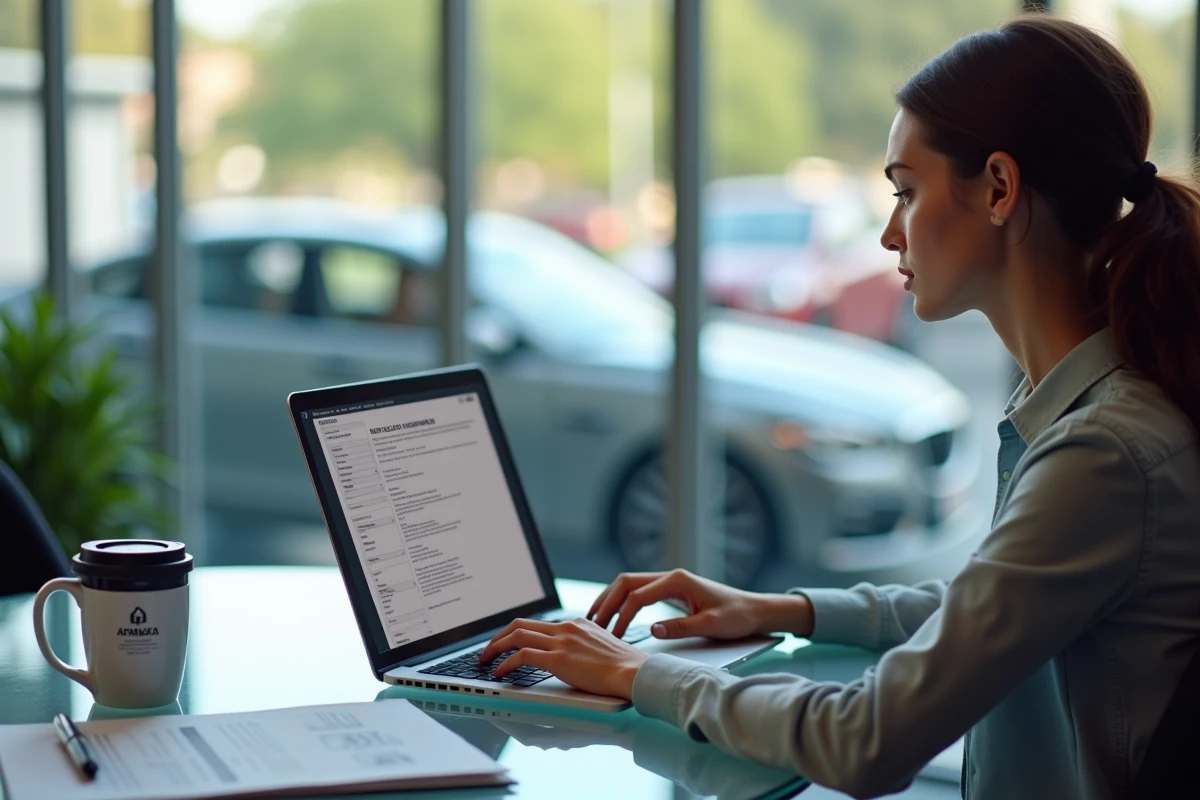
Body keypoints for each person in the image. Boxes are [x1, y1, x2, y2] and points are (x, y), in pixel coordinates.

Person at [478, 14, 1200, 800]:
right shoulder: (1085, 409)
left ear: (999, 187)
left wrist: (637, 672)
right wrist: (781, 609)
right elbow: (994, 607)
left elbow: (865, 743)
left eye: (907, 190)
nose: (890, 234)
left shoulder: (1103, 453)